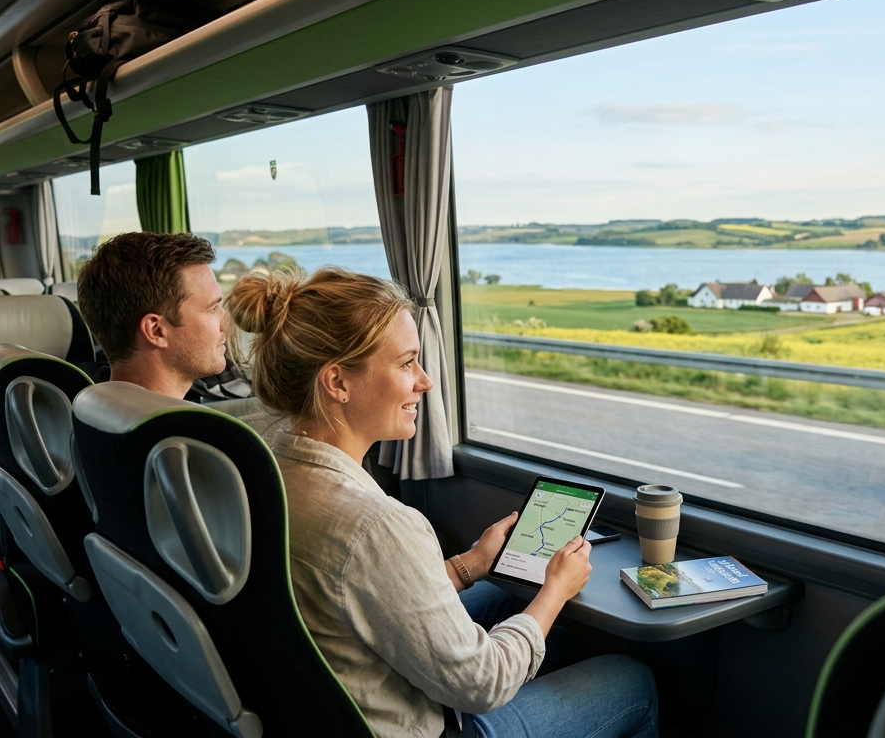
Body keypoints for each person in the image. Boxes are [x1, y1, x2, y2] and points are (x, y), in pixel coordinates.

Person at [224, 267, 658, 738]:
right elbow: (482, 685)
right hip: (417, 726)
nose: (425, 381)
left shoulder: (259, 472)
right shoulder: (376, 525)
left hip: (325, 707)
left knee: (555, 635)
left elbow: (365, 595)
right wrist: (555, 590)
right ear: (337, 382)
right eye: (406, 362)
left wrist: (470, 564)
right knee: (631, 679)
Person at [76, 232, 226, 398]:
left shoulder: (95, 410)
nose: (224, 325)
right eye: (212, 309)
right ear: (156, 330)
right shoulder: (180, 424)